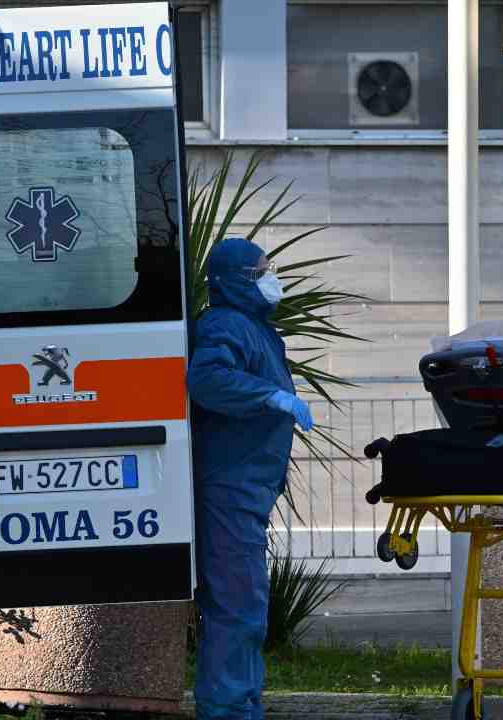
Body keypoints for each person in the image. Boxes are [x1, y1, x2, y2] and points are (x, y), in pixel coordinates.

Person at [188, 237, 314, 720]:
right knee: (236, 602)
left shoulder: (252, 326)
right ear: (234, 280)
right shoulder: (225, 324)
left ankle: (240, 702)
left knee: (244, 600)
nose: (270, 278)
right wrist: (270, 396)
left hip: (245, 487)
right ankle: (228, 708)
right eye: (260, 271)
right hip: (230, 486)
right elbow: (208, 379)